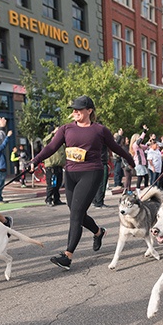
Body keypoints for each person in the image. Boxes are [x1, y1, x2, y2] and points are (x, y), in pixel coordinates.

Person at [30, 96, 135, 270]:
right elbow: (51, 147)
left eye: (79, 109)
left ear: (89, 110)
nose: (75, 112)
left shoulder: (100, 130)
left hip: (91, 173)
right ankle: (98, 232)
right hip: (70, 174)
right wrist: (35, 160)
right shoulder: (66, 129)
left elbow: (115, 148)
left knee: (76, 214)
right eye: (73, 109)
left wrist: (130, 159)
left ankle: (67, 256)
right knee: (76, 212)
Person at [42, 126, 66, 206]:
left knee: (58, 184)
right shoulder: (49, 142)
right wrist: (53, 133)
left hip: (59, 166)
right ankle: (48, 199)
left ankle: (57, 199)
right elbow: (45, 140)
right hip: (51, 167)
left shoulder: (61, 143)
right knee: (52, 184)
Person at [92, 144, 111, 208]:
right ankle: (99, 202)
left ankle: (95, 200)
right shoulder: (102, 137)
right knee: (102, 184)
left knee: (95, 183)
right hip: (102, 162)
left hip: (94, 163)